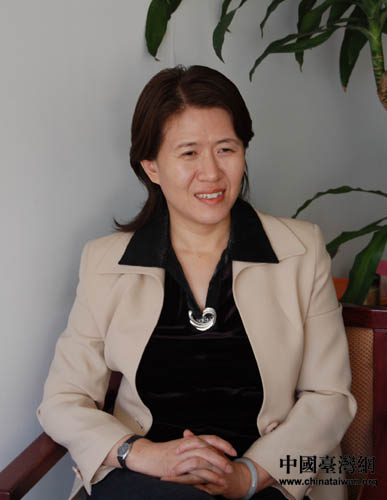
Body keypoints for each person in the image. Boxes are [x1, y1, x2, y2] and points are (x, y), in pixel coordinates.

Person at [37, 65, 357, 500]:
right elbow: (64, 399)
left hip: (267, 477)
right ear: (151, 166)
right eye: (188, 153)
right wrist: (142, 453)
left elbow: (329, 395)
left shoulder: (301, 250)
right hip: (146, 479)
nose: (211, 172)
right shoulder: (104, 262)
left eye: (226, 149)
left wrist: (247, 475)